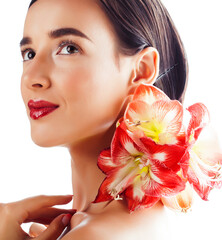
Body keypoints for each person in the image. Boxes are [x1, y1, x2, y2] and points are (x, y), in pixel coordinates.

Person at [0, 0, 188, 239]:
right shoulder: (133, 222)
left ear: (141, 70)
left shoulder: (96, 234)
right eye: (29, 53)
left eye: (68, 48)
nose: (32, 78)